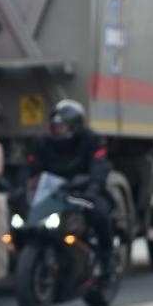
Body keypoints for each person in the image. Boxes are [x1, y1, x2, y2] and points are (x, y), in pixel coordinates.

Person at [26, 99, 115, 273]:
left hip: (83, 191)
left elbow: (99, 166)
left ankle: (107, 257)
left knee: (100, 213)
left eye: (62, 126)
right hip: (54, 193)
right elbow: (31, 168)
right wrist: (21, 187)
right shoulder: (43, 143)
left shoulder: (92, 141)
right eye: (55, 126)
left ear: (75, 126)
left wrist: (93, 188)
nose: (57, 130)